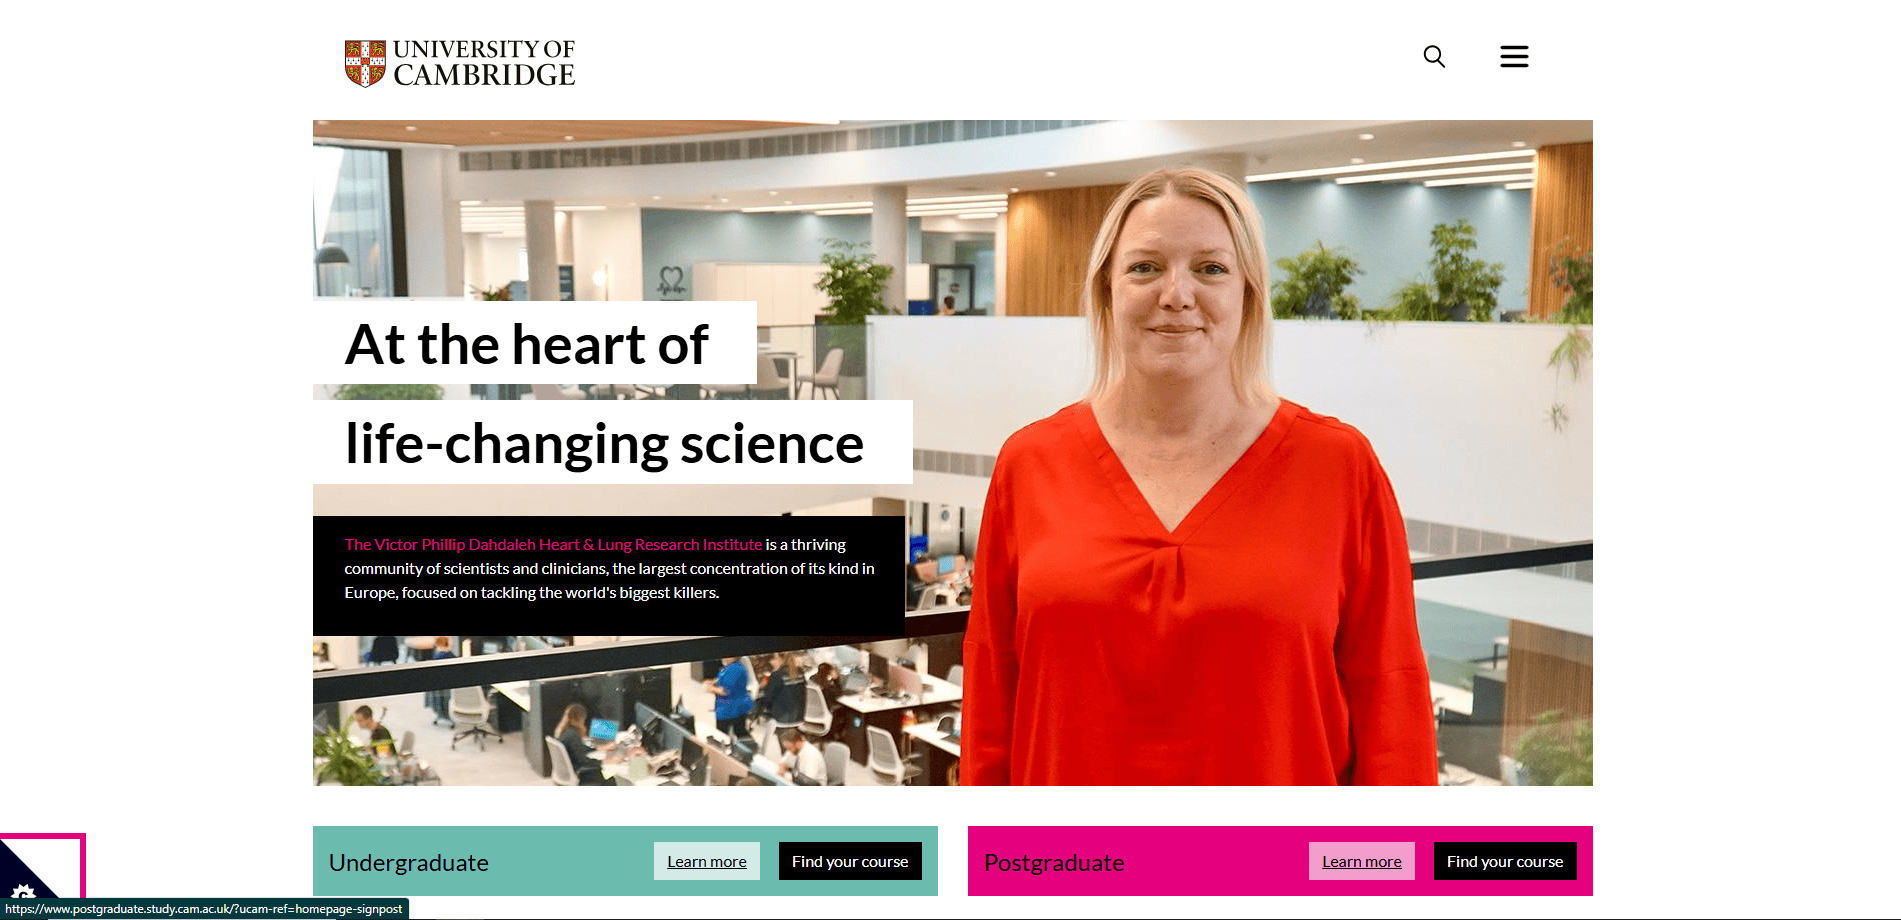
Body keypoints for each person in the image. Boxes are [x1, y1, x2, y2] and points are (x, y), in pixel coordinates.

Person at [961, 166, 1435, 785]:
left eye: (1211, 268)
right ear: (1107, 290)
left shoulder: (1340, 467)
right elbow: (992, 703)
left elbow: (1392, 709)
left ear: (1249, 294)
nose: (1177, 295)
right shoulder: (1029, 464)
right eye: (1145, 267)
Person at [756, 653, 808, 752]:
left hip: (782, 719)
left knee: (787, 751)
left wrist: (763, 687)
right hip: (799, 718)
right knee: (796, 749)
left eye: (774, 659)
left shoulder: (777, 675)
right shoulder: (801, 672)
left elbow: (768, 698)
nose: (772, 662)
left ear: (780, 659)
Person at [551, 702, 608, 786]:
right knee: (611, 777)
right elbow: (584, 761)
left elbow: (578, 749)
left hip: (571, 769)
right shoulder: (572, 735)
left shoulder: (565, 731)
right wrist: (606, 761)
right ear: (580, 718)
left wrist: (597, 749)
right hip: (581, 773)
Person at [704, 655, 753, 742]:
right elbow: (724, 678)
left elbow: (725, 691)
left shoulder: (734, 670)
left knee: (722, 735)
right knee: (740, 731)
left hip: (731, 709)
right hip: (734, 707)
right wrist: (714, 681)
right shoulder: (732, 667)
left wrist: (711, 689)